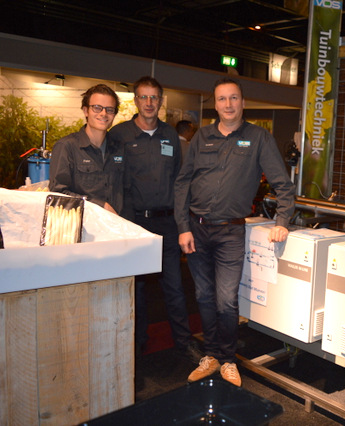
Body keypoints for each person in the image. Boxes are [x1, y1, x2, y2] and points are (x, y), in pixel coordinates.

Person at [174, 78, 295, 386]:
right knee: (203, 296)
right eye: (222, 99)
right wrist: (183, 227)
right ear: (215, 104)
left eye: (233, 98)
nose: (228, 104)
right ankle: (211, 356)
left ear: (243, 102)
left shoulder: (259, 138)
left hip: (230, 232)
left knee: (226, 299)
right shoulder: (202, 137)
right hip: (197, 229)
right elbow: (183, 182)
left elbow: (282, 184)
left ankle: (228, 359)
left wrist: (282, 220)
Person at [110, 76, 202, 363]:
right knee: (135, 289)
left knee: (174, 286)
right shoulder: (119, 134)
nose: (149, 103)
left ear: (160, 101)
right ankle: (136, 343)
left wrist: (182, 223)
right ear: (135, 100)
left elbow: (178, 181)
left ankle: (183, 342)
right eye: (143, 97)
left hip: (166, 223)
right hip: (134, 223)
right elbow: (113, 180)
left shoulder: (170, 135)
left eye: (154, 97)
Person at [50, 84, 123, 214]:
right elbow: (58, 193)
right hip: (83, 223)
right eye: (97, 108)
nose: (103, 113)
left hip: (115, 223)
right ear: (86, 111)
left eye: (110, 109)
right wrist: (100, 206)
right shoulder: (67, 147)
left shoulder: (119, 148)